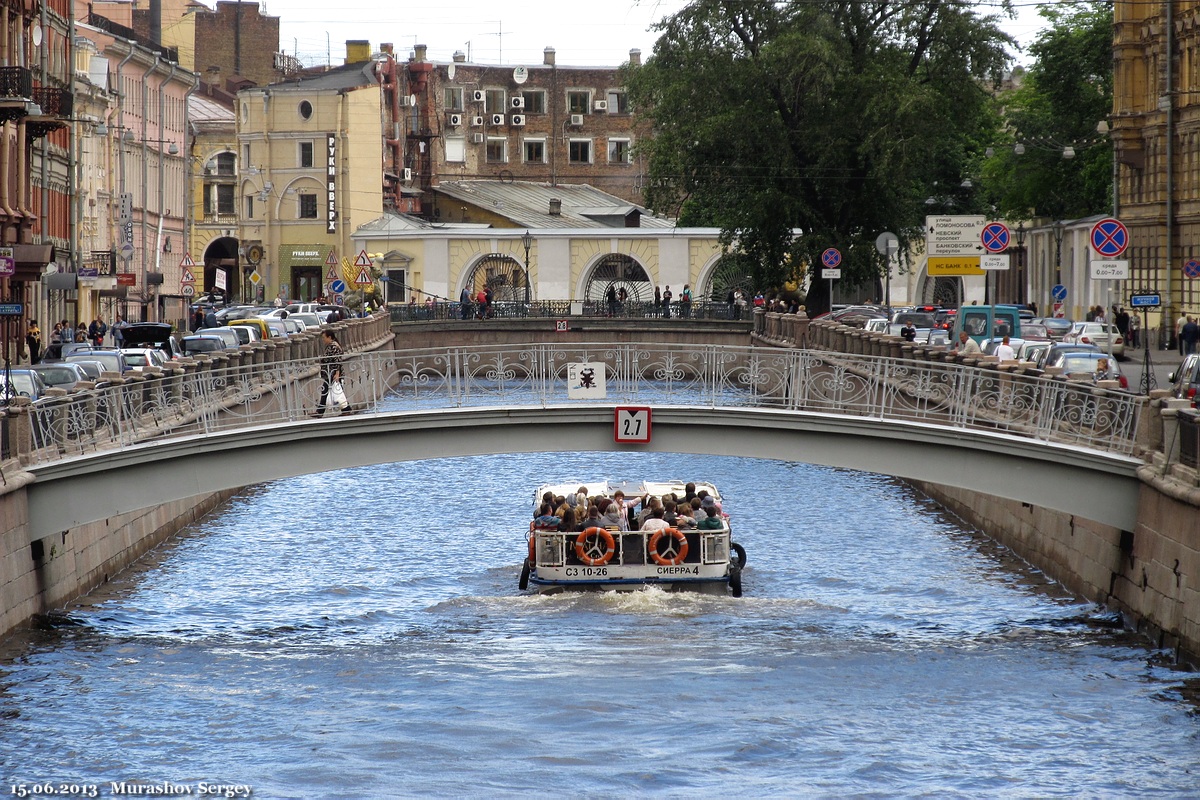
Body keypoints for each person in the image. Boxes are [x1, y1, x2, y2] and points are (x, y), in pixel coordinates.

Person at [312, 329, 353, 417]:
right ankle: (346, 409)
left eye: (324, 338)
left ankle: (320, 411)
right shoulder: (331, 345)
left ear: (329, 337)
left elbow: (337, 360)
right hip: (331, 373)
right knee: (336, 391)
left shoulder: (333, 346)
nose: (323, 340)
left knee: (327, 390)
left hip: (332, 373)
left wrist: (337, 374)